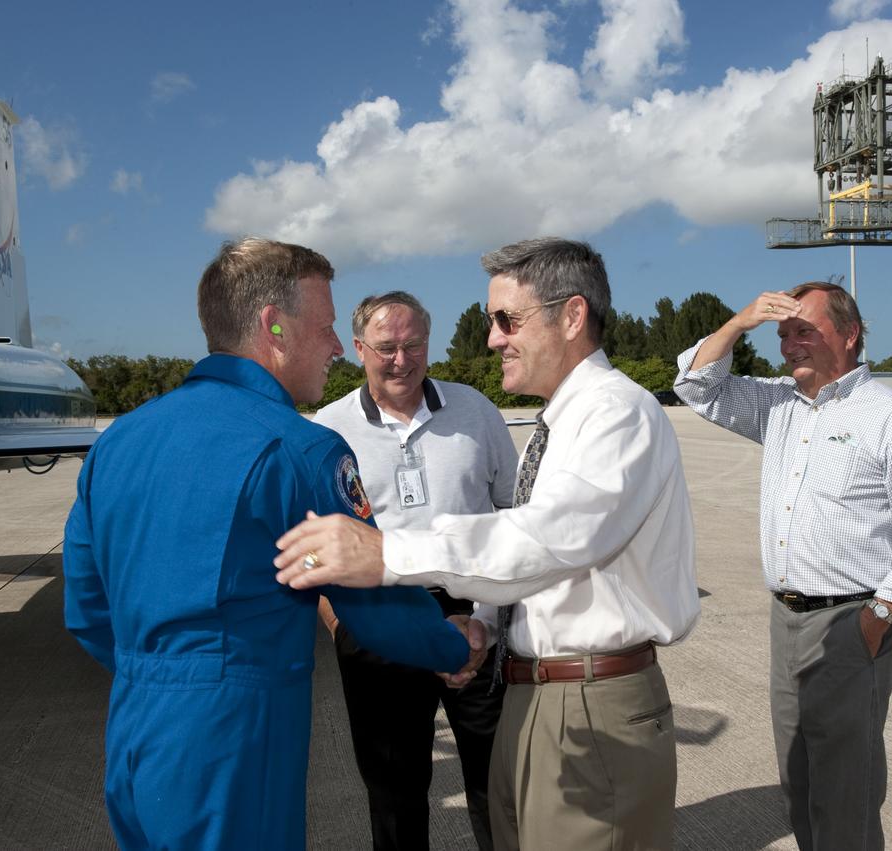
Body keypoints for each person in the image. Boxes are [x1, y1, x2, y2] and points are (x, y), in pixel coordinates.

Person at [272, 237, 700, 851]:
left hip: (583, 696)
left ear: (572, 316)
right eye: (492, 320)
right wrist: (485, 626)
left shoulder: (614, 414)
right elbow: (539, 545)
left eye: (507, 319)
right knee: (406, 796)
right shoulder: (563, 419)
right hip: (511, 668)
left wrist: (387, 554)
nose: (493, 338)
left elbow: (547, 537)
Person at [62, 238, 475, 851]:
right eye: (327, 327)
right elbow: (371, 602)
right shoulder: (300, 450)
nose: (338, 347)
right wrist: (455, 642)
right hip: (234, 742)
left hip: (134, 732)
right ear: (274, 327)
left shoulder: (118, 443)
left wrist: (165, 678)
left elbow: (87, 610)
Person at [672, 282, 892, 850]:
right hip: (787, 620)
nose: (789, 345)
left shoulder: (890, 417)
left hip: (851, 620)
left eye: (804, 331)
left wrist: (878, 617)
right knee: (798, 775)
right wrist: (739, 323)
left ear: (849, 334)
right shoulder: (779, 406)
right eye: (782, 335)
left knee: (844, 788)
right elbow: (695, 386)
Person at [314, 291, 518, 851]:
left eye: (414, 345)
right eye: (386, 348)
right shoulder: (329, 430)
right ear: (359, 348)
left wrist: (489, 618)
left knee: (498, 785)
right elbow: (313, 544)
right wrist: (340, 624)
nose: (401, 360)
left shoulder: (476, 410)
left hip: (475, 614)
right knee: (394, 793)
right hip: (378, 618)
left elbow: (515, 515)